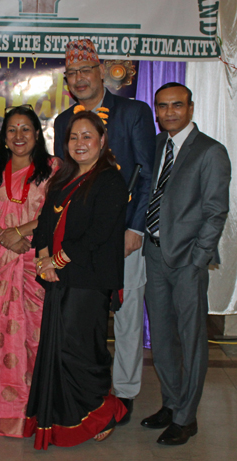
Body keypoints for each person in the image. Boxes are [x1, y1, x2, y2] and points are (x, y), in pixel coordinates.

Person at [54, 39, 156, 423]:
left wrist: (135, 228)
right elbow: (65, 178)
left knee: (127, 314)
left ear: (101, 72)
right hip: (82, 238)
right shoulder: (66, 121)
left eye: (85, 71)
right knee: (84, 312)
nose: (79, 79)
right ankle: (87, 384)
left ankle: (126, 392)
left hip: (124, 235)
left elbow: (147, 172)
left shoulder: (133, 112)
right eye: (72, 75)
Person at [23, 111, 128, 449]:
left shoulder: (110, 180)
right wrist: (42, 259)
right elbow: (42, 225)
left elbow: (98, 234)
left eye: (87, 137)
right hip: (58, 277)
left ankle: (102, 411)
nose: (80, 143)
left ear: (101, 141)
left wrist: (57, 260)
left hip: (89, 279)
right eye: (73, 138)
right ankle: (64, 415)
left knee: (83, 350)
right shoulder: (62, 178)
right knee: (59, 349)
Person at [141, 83, 231, 445]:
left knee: (190, 341)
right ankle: (171, 402)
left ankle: (187, 417)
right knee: (161, 338)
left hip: (187, 262)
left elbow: (215, 212)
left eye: (177, 106)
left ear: (191, 108)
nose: (169, 113)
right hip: (154, 254)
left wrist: (197, 260)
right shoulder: (159, 145)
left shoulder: (211, 152)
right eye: (162, 107)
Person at [0, 105, 59, 438]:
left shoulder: (53, 169)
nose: (19, 136)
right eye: (12, 130)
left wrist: (21, 232)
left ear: (37, 134)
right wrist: (2, 235)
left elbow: (59, 212)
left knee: (34, 337)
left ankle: (34, 410)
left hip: (34, 263)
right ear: (4, 136)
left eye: (26, 129)